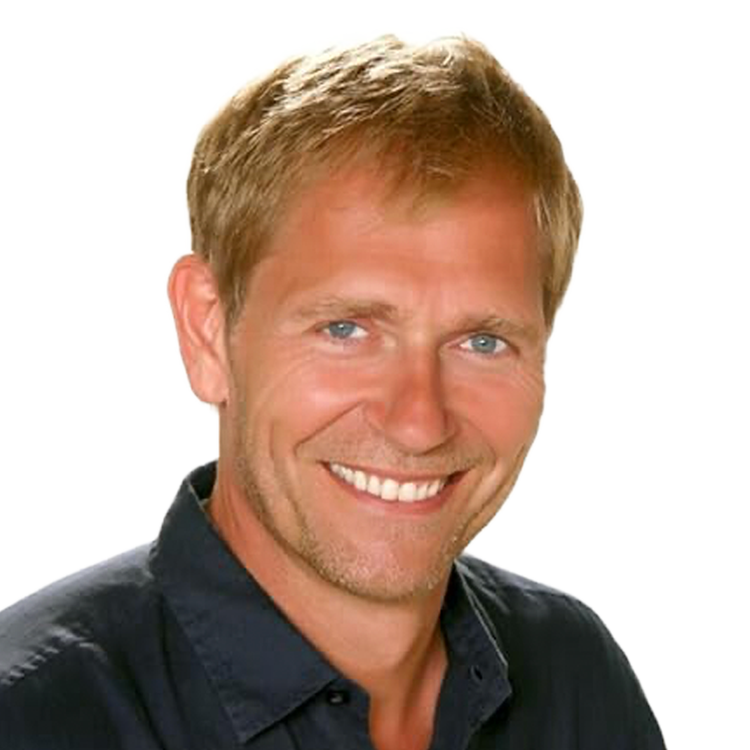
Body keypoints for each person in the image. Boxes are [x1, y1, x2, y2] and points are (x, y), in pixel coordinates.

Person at [0, 28, 667, 750]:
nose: (418, 422)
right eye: (346, 329)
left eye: (482, 342)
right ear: (207, 332)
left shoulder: (578, 682)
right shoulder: (29, 716)